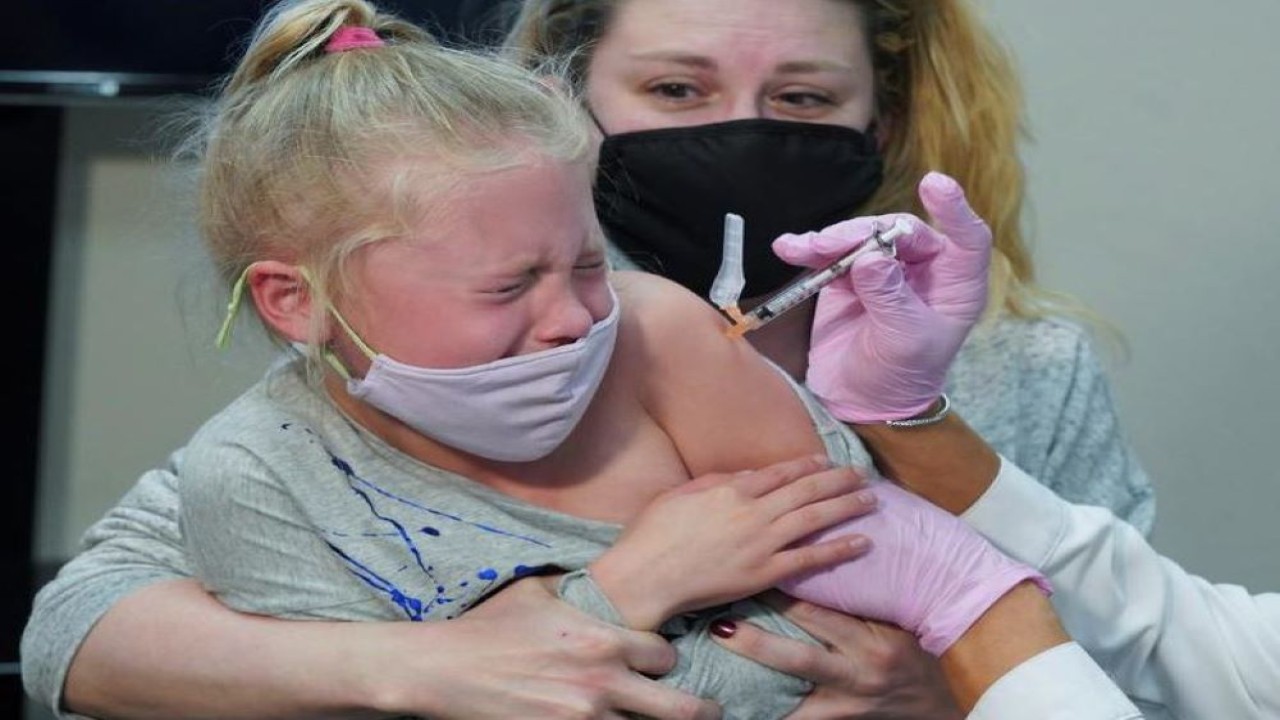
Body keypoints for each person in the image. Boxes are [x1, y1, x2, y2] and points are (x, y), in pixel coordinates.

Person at [21, 0, 1152, 717]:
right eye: (674, 89)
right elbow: (85, 627)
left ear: (884, 119)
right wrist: (572, 610)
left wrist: (955, 682)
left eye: (802, 97)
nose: (739, 131)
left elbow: (1147, 659)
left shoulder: (1018, 369)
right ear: (570, 94)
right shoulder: (369, 374)